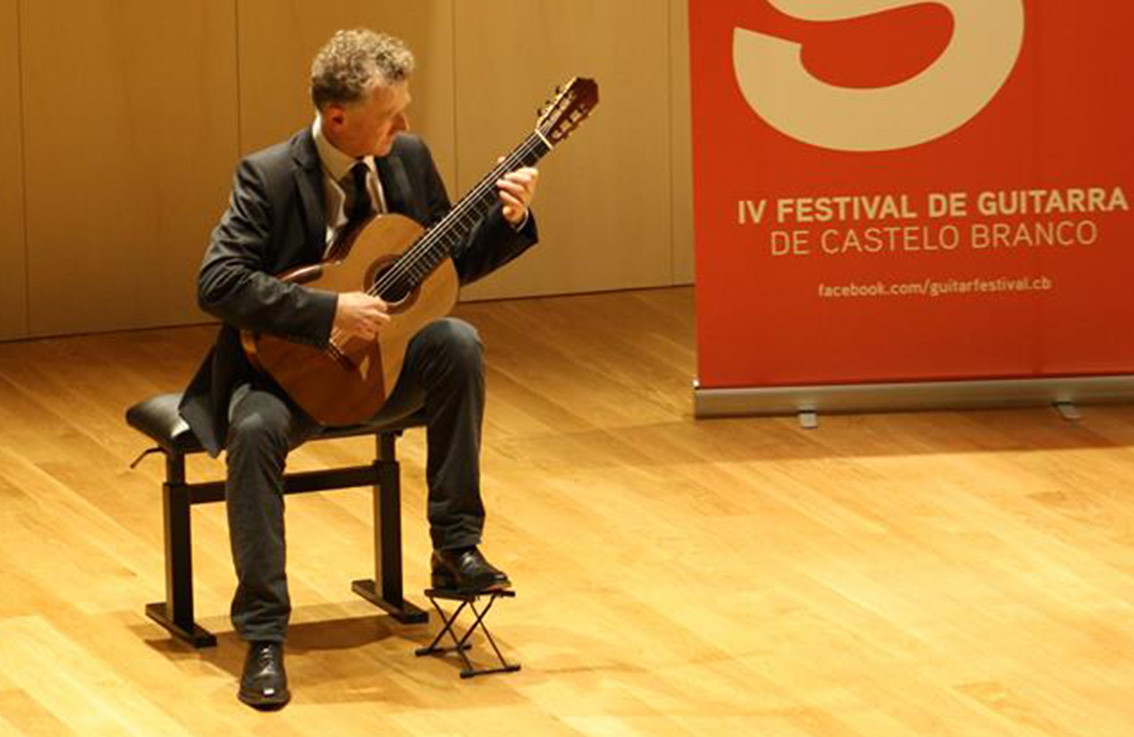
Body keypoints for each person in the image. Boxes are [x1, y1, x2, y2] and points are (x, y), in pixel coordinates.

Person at [177, 28, 539, 709]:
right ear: (338, 118)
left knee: (457, 341)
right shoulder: (268, 175)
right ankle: (264, 636)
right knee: (253, 434)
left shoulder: (407, 159)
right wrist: (328, 310)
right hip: (286, 377)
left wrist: (508, 220)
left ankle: (455, 549)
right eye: (390, 115)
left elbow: (442, 272)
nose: (406, 126)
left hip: (383, 369)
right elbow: (217, 283)